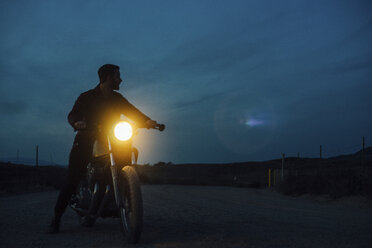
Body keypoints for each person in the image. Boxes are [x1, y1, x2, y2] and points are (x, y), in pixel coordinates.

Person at [47, 64, 158, 234]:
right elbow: (73, 113)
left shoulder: (118, 99)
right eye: (117, 76)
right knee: (73, 178)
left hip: (112, 140)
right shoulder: (87, 97)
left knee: (127, 156)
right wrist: (77, 122)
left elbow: (132, 112)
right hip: (86, 141)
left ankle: (120, 203)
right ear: (107, 78)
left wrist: (149, 121)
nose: (121, 79)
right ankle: (56, 218)